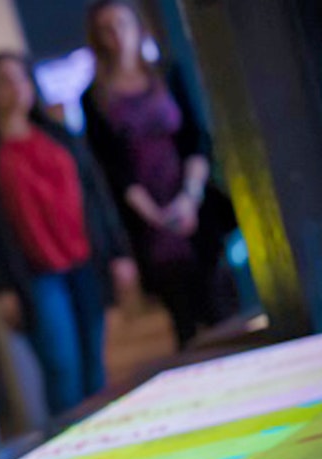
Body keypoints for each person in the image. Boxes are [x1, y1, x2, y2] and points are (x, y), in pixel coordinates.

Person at [0, 53, 132, 417]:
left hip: (85, 260)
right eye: (4, 81)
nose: (16, 87)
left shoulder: (58, 136)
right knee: (62, 367)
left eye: (20, 77)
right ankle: (69, 453)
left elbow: (96, 197)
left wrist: (119, 253)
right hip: (34, 275)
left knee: (94, 365)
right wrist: (1, 287)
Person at [81, 0, 238, 348]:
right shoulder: (94, 98)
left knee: (220, 302)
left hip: (191, 199)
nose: (116, 35)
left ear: (137, 26)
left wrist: (189, 199)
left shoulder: (168, 73)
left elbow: (196, 138)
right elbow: (112, 169)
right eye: (106, 28)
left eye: (121, 24)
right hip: (145, 216)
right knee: (182, 317)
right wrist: (155, 216)